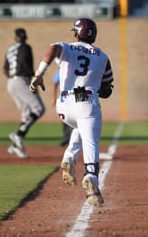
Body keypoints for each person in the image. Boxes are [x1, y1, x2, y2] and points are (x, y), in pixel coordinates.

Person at [29, 18, 114, 206]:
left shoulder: (69, 47)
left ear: (77, 33)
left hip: (64, 103)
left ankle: (69, 157)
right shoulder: (103, 56)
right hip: (85, 99)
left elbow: (52, 48)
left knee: (81, 128)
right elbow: (107, 88)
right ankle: (91, 178)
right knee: (91, 138)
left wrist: (39, 74)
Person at [3, 28, 45, 158]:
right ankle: (18, 135)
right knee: (38, 108)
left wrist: (13, 80)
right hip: (22, 79)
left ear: (15, 37)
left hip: (11, 82)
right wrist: (33, 80)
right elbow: (25, 63)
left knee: (26, 115)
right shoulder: (25, 47)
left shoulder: (10, 49)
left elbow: (5, 69)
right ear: (25, 37)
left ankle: (16, 146)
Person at [52, 69, 72, 147]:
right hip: (65, 98)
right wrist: (53, 97)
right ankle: (66, 138)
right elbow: (55, 82)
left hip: (77, 97)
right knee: (65, 118)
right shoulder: (63, 69)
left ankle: (72, 139)